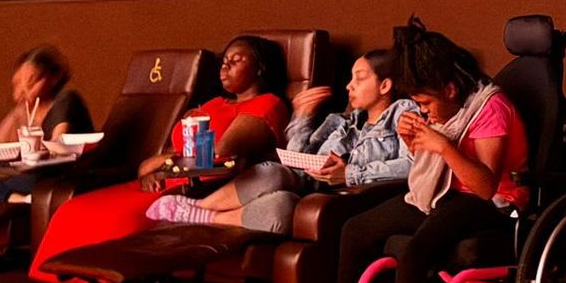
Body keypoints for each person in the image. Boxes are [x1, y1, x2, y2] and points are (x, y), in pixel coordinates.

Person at [314, 20, 529, 283]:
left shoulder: (491, 108)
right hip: (444, 191)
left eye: (426, 103)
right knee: (355, 230)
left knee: (415, 254)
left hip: (492, 203)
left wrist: (442, 145)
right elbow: (427, 164)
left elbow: (485, 186)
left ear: (450, 89)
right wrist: (417, 140)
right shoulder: (444, 103)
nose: (422, 110)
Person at [30, 36, 288, 283]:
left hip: (197, 189)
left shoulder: (268, 103)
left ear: (260, 68)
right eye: (224, 61)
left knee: (117, 221)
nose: (226, 65)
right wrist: (161, 168)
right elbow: (150, 164)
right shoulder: (211, 105)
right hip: (160, 182)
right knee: (73, 210)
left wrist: (167, 165)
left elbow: (221, 153)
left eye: (238, 59)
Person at [149, 50, 414, 233]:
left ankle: (199, 214)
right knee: (274, 178)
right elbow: (296, 156)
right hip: (306, 183)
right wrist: (301, 116)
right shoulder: (341, 121)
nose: (349, 86)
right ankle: (194, 209)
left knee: (281, 209)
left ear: (385, 86)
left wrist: (351, 173)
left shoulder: (403, 114)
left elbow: (411, 165)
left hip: (344, 196)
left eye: (359, 78)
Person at [0, 48, 95, 205]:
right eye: (18, 84)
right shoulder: (27, 112)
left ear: (54, 77)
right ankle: (12, 199)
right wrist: (15, 115)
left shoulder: (65, 99)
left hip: (61, 178)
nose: (24, 90)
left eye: (32, 81)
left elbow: (57, 143)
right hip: (35, 178)